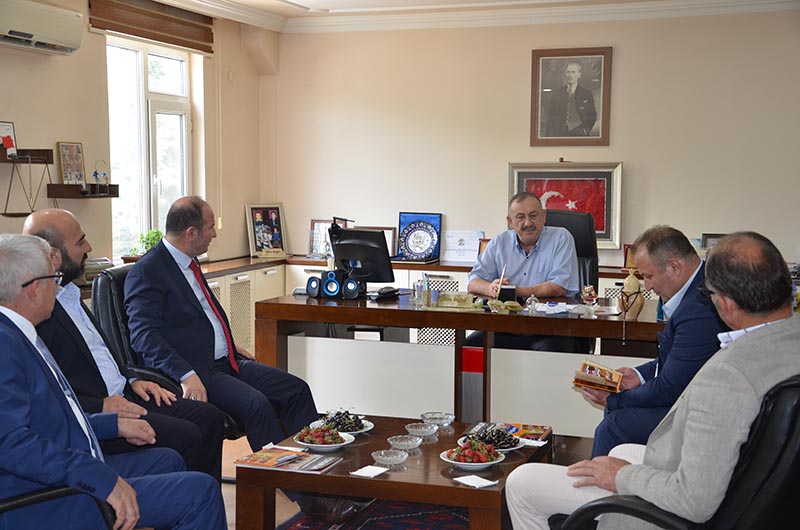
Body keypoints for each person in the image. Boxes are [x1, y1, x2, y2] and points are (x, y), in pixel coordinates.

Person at [506, 231, 799, 530]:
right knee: (619, 451)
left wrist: (621, 476)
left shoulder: (727, 375)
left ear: (724, 303)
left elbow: (694, 501)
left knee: (522, 482)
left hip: (677, 508)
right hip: (734, 482)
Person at [124, 196, 358, 522]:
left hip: (227, 361)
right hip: (197, 371)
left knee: (295, 389)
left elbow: (201, 318)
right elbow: (143, 336)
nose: (214, 234)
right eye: (210, 228)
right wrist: (185, 374)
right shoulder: (148, 271)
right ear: (191, 233)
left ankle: (324, 479)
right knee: (256, 405)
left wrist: (231, 345)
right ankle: (309, 498)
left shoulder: (188, 262)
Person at [0, 234, 226, 530]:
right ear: (33, 289)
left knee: (168, 460)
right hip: (42, 499)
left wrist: (112, 425)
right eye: (54, 279)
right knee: (200, 493)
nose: (58, 285)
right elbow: (10, 444)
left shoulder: (19, 334)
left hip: (65, 472)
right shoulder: (5, 346)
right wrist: (100, 478)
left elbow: (49, 423)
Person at [24, 209, 225, 481]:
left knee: (209, 418)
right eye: (80, 241)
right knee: (187, 435)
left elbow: (100, 354)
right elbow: (49, 392)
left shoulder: (70, 294)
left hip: (126, 392)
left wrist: (132, 378)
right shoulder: (38, 311)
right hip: (98, 413)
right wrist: (101, 405)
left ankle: (200, 497)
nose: (89, 247)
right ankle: (182, 495)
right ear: (54, 256)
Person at [582, 226, 727, 457]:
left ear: (674, 267)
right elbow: (676, 361)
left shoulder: (699, 308)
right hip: (690, 399)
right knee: (616, 416)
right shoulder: (697, 289)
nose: (647, 286)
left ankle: (602, 479)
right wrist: (638, 375)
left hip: (701, 413)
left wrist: (615, 399)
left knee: (613, 426)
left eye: (648, 277)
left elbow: (670, 387)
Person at [466, 191, 579, 351]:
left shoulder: (561, 238)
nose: (528, 223)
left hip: (550, 328)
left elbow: (559, 286)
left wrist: (513, 291)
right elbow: (473, 282)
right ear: (510, 222)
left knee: (549, 355)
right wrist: (491, 288)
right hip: (505, 327)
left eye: (533, 216)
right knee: (469, 348)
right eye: (520, 217)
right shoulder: (499, 242)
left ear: (544, 216)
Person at [545, 61, 597, 137]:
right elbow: (551, 117)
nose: (570, 75)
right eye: (568, 72)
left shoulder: (586, 93)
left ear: (579, 74)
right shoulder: (557, 93)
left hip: (579, 132)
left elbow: (592, 115)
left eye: (573, 72)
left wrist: (585, 130)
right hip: (560, 133)